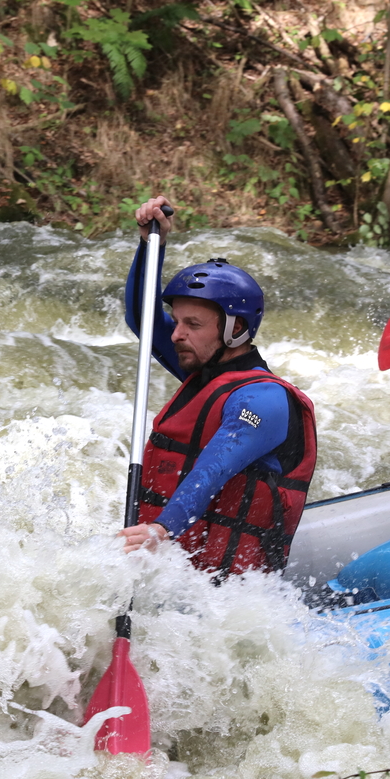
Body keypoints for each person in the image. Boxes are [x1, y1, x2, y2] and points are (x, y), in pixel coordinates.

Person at [116, 196, 318, 575]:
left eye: (192, 324)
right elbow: (142, 316)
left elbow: (212, 471)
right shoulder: (205, 367)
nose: (175, 334)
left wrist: (160, 530)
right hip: (177, 571)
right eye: (177, 320)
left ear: (235, 328)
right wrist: (150, 244)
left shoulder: (263, 399)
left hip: (234, 594)